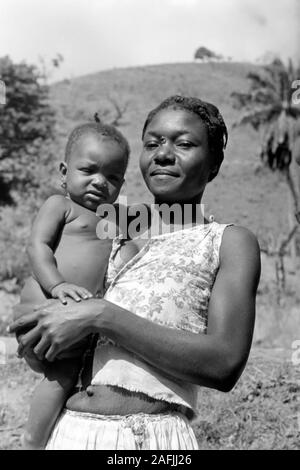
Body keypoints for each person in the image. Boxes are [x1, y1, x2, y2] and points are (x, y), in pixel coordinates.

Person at [10, 95, 261, 450]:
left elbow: (224, 365)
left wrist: (101, 316)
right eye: (152, 143)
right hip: (69, 433)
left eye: (184, 144)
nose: (162, 154)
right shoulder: (111, 221)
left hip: (154, 442)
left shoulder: (226, 241)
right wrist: (34, 323)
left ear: (214, 164)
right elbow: (48, 264)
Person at [14, 120, 130, 449]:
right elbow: (37, 247)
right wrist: (57, 285)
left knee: (62, 379)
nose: (99, 182)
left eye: (112, 177)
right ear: (64, 172)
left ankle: (37, 437)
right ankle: (31, 443)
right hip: (42, 307)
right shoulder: (60, 206)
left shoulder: (114, 220)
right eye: (88, 170)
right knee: (61, 375)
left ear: (122, 184)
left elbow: (144, 236)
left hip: (75, 326)